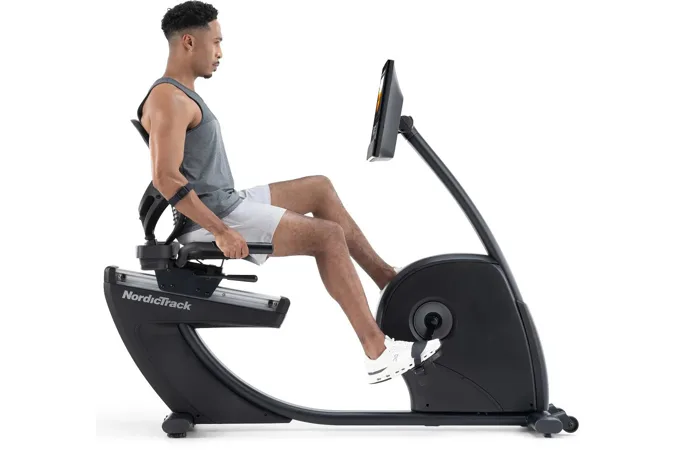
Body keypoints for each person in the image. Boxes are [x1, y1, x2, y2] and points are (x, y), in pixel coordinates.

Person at [137, 1, 441, 384]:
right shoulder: (169, 98)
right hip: (213, 218)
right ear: (188, 42)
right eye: (215, 42)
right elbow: (166, 178)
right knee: (327, 237)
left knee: (319, 188)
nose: (220, 52)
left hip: (225, 201)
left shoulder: (181, 94)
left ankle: (387, 280)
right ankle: (377, 352)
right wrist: (221, 232)